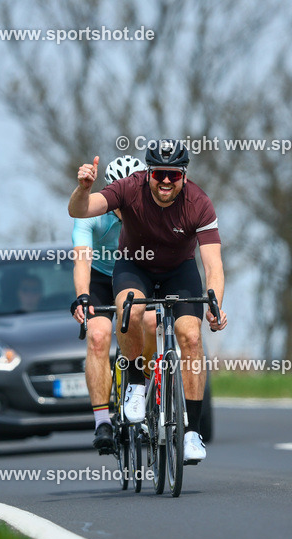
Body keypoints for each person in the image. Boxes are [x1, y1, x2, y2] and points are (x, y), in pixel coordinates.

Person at [68, 140, 227, 464]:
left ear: (184, 176)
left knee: (191, 337)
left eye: (173, 175)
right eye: (159, 174)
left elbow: (213, 265)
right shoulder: (129, 188)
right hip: (134, 267)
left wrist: (215, 306)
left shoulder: (199, 203)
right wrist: (83, 189)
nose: (166, 181)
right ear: (148, 174)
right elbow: (79, 211)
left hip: (179, 271)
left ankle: (192, 433)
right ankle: (135, 385)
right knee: (131, 309)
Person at [70, 155, 147, 455]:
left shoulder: (152, 212)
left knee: (151, 323)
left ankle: (148, 396)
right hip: (102, 278)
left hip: (139, 275)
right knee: (98, 336)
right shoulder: (92, 212)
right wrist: (83, 295)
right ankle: (102, 421)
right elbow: (82, 259)